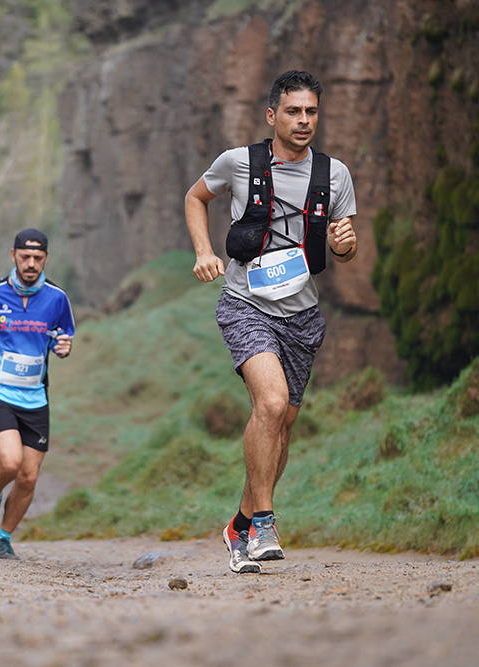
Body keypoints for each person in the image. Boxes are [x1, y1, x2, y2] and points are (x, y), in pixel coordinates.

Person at [183, 70, 358, 574]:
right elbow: (196, 198)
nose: (303, 121)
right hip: (245, 303)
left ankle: (239, 527)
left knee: (280, 430)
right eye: (293, 111)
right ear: (271, 115)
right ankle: (263, 523)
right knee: (272, 403)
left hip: (302, 314)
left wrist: (345, 246)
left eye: (311, 112)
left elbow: (343, 245)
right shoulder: (240, 163)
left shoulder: (335, 175)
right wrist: (203, 251)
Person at [0, 228, 75, 560]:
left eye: (38, 258)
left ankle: (2, 538)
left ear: (46, 259)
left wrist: (63, 347)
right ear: (14, 256)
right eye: (25, 257)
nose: (31, 263)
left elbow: (62, 338)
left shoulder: (57, 299)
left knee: (29, 475)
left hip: (35, 397)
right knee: (10, 462)